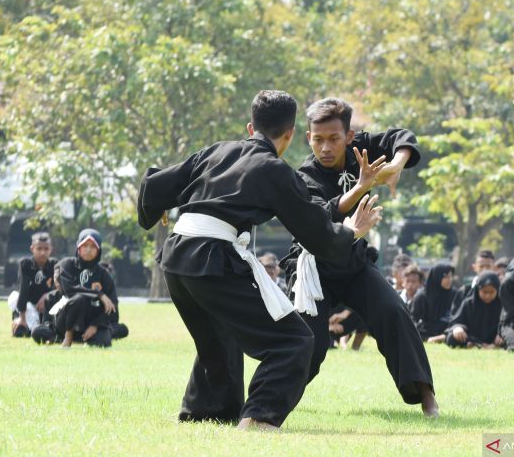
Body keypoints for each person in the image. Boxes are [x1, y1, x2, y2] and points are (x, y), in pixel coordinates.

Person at [136, 90, 383, 430]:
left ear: (251, 127)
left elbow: (156, 184)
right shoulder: (275, 170)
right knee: (294, 341)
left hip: (177, 256)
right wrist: (352, 230)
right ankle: (258, 418)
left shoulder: (216, 150)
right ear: (291, 133)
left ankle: (206, 413)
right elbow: (315, 231)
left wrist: (157, 207)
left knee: (219, 336)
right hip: (212, 258)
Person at [280, 97, 437, 417]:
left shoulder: (360, 149)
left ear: (349, 136)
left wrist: (395, 165)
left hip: (353, 263)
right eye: (318, 139)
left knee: (393, 311)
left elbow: (401, 137)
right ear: (308, 137)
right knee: (309, 341)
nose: (325, 147)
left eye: (334, 139)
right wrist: (362, 186)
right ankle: (270, 402)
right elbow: (318, 220)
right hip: (313, 268)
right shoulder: (303, 176)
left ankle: (426, 396)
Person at [52, 229, 118, 348]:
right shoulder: (67, 264)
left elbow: (113, 306)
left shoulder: (104, 274)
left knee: (103, 342)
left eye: (93, 246)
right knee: (80, 298)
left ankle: (84, 338)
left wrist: (95, 325)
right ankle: (68, 337)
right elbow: (69, 290)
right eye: (85, 245)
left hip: (90, 321)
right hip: (66, 320)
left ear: (99, 250)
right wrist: (99, 294)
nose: (88, 249)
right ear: (78, 247)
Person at [9, 232, 57, 338]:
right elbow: (23, 289)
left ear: (51, 249)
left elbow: (58, 287)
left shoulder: (55, 264)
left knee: (43, 332)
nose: (42, 252)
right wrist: (22, 318)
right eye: (39, 249)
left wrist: (46, 296)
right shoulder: (25, 264)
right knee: (20, 333)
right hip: (27, 308)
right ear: (32, 249)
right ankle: (19, 321)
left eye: (46, 249)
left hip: (45, 309)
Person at [445, 271, 502, 349]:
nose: (488, 295)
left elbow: (507, 323)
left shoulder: (502, 304)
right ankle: (479, 345)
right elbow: (456, 321)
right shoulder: (468, 303)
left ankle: (482, 345)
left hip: (495, 339)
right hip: (471, 337)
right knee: (452, 337)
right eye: (484, 292)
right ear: (478, 289)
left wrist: (501, 334)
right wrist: (458, 328)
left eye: (492, 292)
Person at [411, 263, 455, 343]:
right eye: (446, 277)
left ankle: (441, 337)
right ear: (437, 277)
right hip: (427, 330)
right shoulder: (422, 296)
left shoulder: (454, 294)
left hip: (447, 330)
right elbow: (413, 318)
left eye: (451, 276)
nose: (449, 279)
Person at [450, 249, 495, 315]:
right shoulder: (464, 292)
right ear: (474, 267)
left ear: (494, 267)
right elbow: (455, 317)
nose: (485, 270)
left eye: (488, 266)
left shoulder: (501, 291)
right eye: (481, 266)